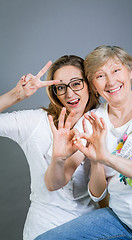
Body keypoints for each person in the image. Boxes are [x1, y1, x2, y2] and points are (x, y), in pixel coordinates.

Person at [35, 46, 132, 240]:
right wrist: (61, 158)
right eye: (100, 76)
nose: (111, 81)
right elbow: (95, 194)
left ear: (130, 71)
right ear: (93, 85)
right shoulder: (91, 120)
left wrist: (107, 158)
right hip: (119, 222)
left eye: (116, 70)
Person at [0, 55, 103, 240]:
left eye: (76, 83)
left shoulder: (103, 122)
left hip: (89, 229)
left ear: (89, 84)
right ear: (54, 92)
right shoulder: (34, 122)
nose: (70, 94)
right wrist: (17, 95)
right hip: (43, 229)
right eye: (61, 87)